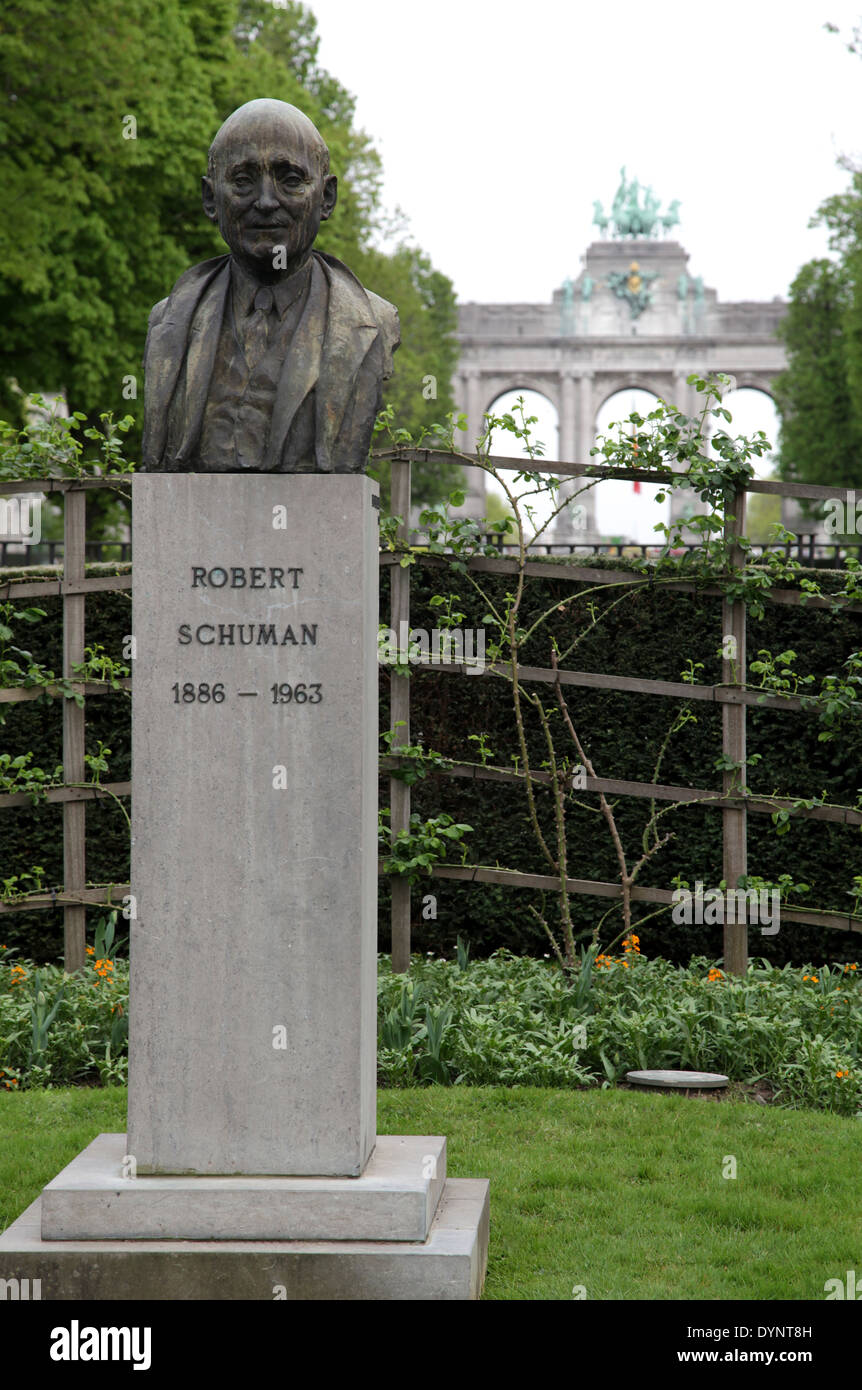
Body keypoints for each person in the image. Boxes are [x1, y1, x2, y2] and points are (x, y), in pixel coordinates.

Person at [142, 98, 399, 473]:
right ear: (210, 199)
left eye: (291, 180)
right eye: (243, 181)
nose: (265, 202)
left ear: (326, 198)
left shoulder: (374, 323)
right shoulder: (167, 322)